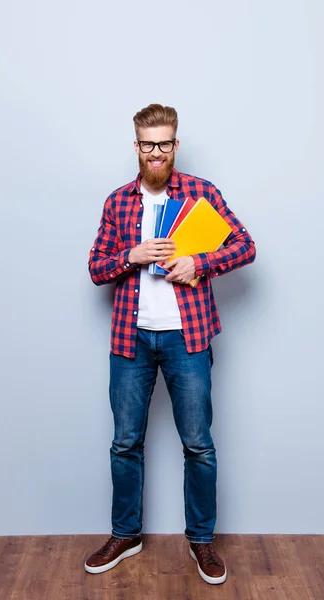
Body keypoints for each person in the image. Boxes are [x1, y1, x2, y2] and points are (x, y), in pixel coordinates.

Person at [84, 103, 256, 585]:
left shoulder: (201, 194)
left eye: (164, 143)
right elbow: (97, 268)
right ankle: (125, 534)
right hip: (130, 340)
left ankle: (201, 542)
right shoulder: (118, 202)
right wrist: (131, 255)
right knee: (125, 443)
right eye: (146, 144)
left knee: (198, 445)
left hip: (188, 337)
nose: (155, 152)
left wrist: (200, 263)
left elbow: (245, 245)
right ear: (135, 146)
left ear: (175, 145)